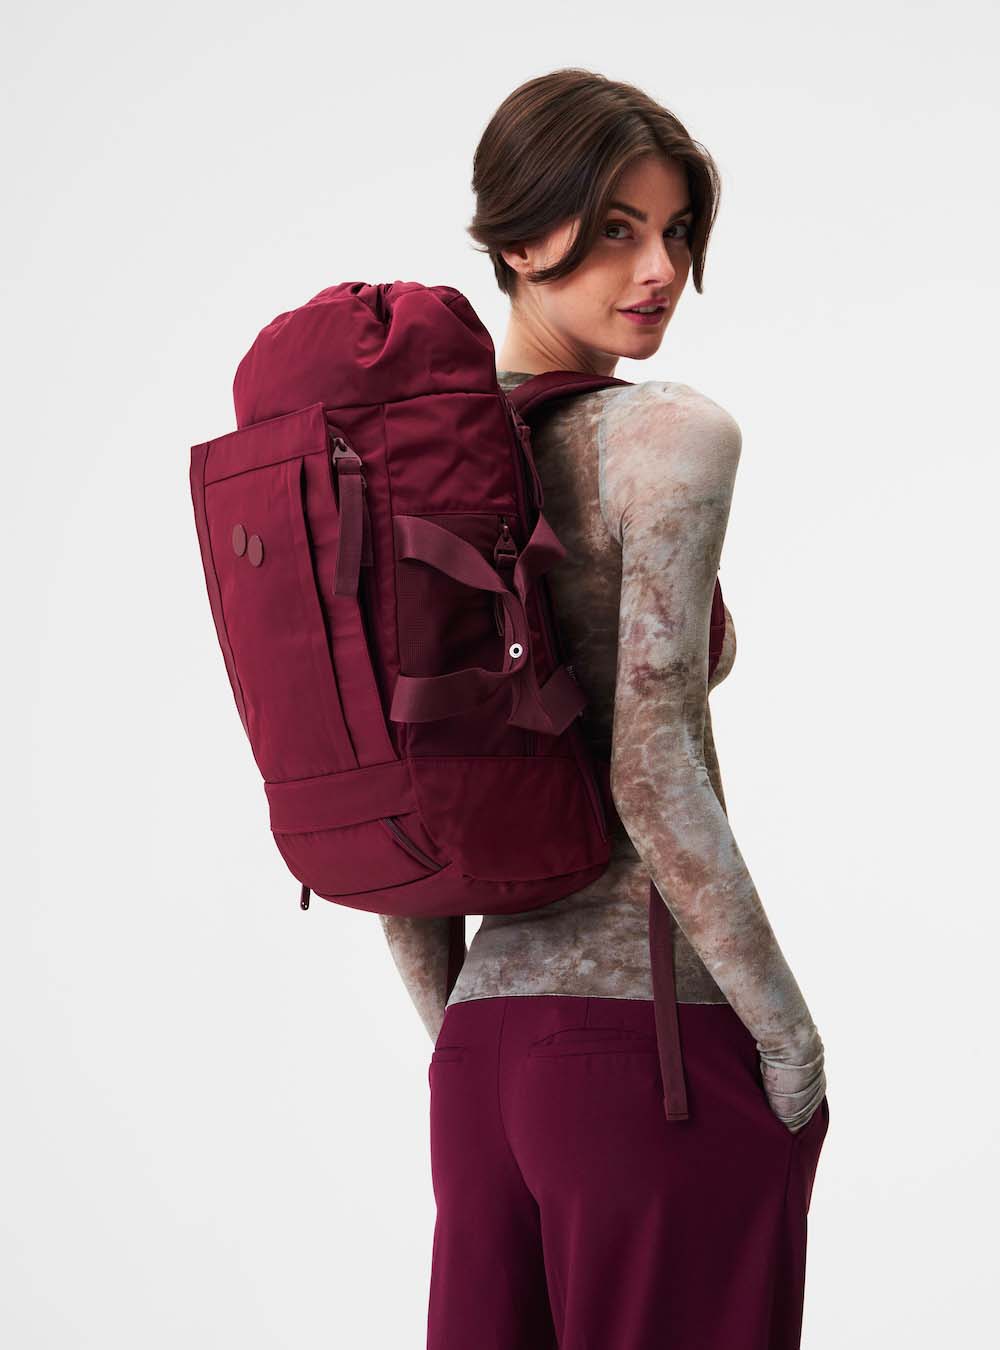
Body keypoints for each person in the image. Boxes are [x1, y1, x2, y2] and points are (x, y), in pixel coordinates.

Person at [380, 68, 830, 1350]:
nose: (660, 269)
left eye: (676, 230)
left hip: (478, 1066)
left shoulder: (407, 469)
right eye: (617, 228)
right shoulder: (669, 437)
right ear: (520, 240)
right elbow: (653, 765)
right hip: (656, 1052)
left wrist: (463, 1035)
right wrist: (790, 1047)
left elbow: (401, 789)